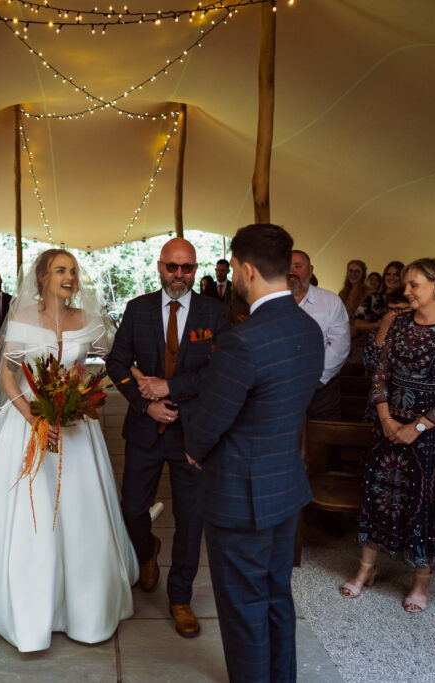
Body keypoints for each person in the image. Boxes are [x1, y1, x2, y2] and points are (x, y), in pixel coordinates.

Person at [0, 248, 137, 652]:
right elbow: (9, 377)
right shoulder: (23, 318)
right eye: (61, 270)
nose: (70, 277)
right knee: (32, 511)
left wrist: (84, 395)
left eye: (74, 271)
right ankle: (29, 599)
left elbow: (109, 362)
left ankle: (85, 600)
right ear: (42, 277)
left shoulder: (88, 320)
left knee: (80, 512)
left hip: (76, 426)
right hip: (29, 422)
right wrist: (35, 419)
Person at [178, 223, 323, 682]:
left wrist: (195, 450)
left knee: (243, 606)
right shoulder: (309, 328)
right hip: (285, 485)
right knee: (277, 594)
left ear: (246, 270)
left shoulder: (243, 340)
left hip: (241, 495)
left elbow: (211, 419)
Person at [340, 258, 435, 613]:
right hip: (389, 425)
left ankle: (421, 582)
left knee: (427, 503)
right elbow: (379, 373)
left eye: (414, 284)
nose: (406, 291)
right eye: (406, 284)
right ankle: (365, 570)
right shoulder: (399, 323)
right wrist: (386, 419)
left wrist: (416, 427)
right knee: (378, 494)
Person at [109, 238, 230, 638]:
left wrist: (170, 388)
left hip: (192, 432)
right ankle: (146, 553)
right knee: (131, 510)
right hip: (144, 428)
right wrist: (147, 404)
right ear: (159, 267)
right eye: (172, 267)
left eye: (187, 268)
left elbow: (220, 371)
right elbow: (116, 362)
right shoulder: (138, 309)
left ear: (197, 270)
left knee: (190, 519)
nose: (179, 275)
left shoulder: (216, 312)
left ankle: (180, 597)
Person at [288, 250, 350, 420]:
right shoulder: (272, 303)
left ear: (310, 270)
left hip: (321, 390)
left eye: (298, 266)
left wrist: (314, 380)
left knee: (321, 441)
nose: (292, 271)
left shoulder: (330, 301)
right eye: (287, 266)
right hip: (282, 390)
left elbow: (339, 346)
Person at [361, 290, 411, 422]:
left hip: (407, 401)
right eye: (391, 309)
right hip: (380, 400)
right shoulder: (377, 332)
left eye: (399, 309)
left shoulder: (421, 333)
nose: (394, 314)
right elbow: (370, 365)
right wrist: (383, 329)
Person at [351, 261, 404, 369]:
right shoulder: (374, 298)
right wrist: (381, 325)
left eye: (396, 274)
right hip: (378, 351)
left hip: (403, 352)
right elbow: (358, 324)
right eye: (388, 274)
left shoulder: (411, 299)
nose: (392, 277)